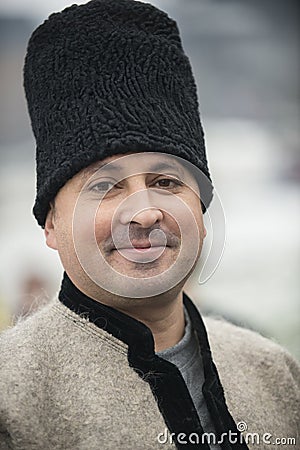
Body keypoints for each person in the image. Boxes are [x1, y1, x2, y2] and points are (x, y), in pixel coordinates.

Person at [0, 1, 299, 449]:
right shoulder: (12, 397)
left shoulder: (275, 373)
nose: (144, 213)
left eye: (165, 181)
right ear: (51, 225)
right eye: (104, 186)